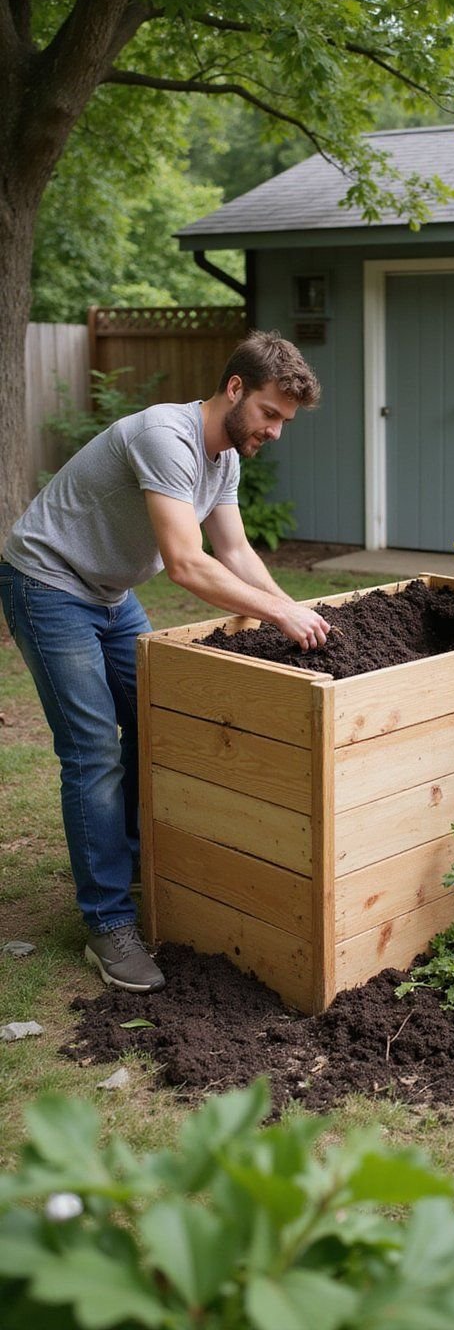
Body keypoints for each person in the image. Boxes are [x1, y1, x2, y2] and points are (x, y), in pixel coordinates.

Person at [0, 330, 330, 994]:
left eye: (284, 422)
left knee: (158, 722)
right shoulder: (165, 436)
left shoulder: (224, 458)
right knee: (93, 749)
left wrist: (294, 609)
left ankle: (125, 858)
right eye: (269, 413)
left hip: (110, 593)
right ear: (234, 389)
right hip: (49, 583)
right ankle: (108, 921)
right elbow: (186, 564)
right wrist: (278, 615)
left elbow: (234, 552)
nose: (274, 431)